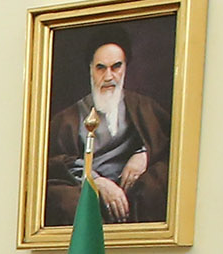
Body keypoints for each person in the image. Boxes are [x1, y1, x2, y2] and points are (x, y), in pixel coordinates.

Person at [46, 30, 169, 225]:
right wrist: (96, 181)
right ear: (91, 70)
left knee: (159, 180)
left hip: (132, 188)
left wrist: (143, 154)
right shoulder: (67, 118)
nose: (108, 76)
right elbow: (57, 162)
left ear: (125, 68)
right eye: (101, 68)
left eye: (116, 67)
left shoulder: (144, 107)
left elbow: (167, 142)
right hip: (84, 187)